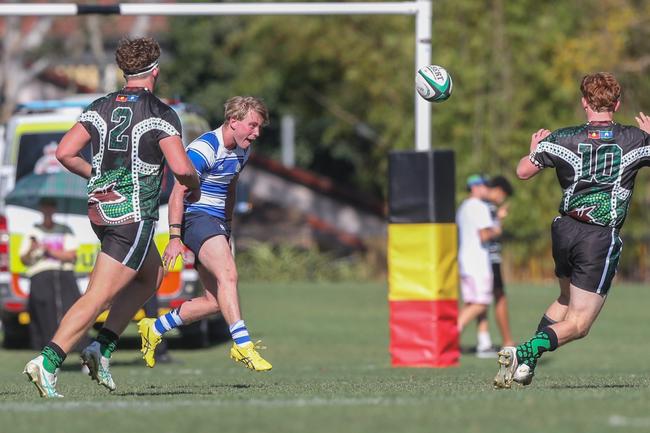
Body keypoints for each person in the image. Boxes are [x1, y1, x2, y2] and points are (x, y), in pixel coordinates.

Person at [23, 36, 200, 398]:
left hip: (101, 211)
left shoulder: (100, 105)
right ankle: (48, 360)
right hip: (132, 214)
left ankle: (101, 347)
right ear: (156, 71)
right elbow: (182, 169)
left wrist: (98, 177)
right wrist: (195, 183)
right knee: (99, 295)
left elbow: (64, 152)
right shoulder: (160, 113)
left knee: (151, 274)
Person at [494, 72, 650, 388]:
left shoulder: (563, 137)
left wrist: (534, 147)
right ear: (617, 104)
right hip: (598, 236)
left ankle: (526, 366)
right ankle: (523, 353)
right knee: (579, 325)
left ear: (584, 102)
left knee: (565, 299)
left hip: (564, 230)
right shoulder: (636, 139)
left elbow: (523, 171)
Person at [137, 96, 272, 372]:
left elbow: (231, 186)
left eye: (259, 127)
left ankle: (155, 327)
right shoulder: (205, 148)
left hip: (216, 222)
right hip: (196, 217)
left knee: (216, 301)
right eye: (252, 125)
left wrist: (228, 225)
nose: (256, 133)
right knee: (229, 275)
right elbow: (178, 193)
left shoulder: (243, 150)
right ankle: (243, 346)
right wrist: (174, 238)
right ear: (233, 122)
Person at [19, 198, 82, 350]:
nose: (48, 209)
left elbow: (71, 255)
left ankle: (81, 351)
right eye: (45, 206)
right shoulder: (32, 231)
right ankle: (48, 353)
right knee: (45, 317)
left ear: (55, 209)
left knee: (74, 312)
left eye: (51, 206)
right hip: (40, 275)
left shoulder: (64, 229)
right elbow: (24, 259)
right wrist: (31, 249)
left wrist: (49, 251)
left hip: (63, 274)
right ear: (41, 209)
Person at [456, 174, 502, 352]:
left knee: (473, 303)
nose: (487, 189)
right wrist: (497, 228)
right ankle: (449, 336)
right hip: (477, 262)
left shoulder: (463, 207)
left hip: (466, 260)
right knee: (481, 303)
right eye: (484, 186)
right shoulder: (480, 207)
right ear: (474, 187)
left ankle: (484, 343)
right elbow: (484, 235)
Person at [474, 175, 515, 357]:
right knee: (498, 298)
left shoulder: (479, 205)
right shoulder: (488, 206)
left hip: (480, 259)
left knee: (481, 300)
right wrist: (499, 218)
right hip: (490, 259)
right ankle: (508, 341)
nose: (502, 199)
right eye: (503, 195)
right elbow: (489, 232)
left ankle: (484, 341)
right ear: (498, 190)